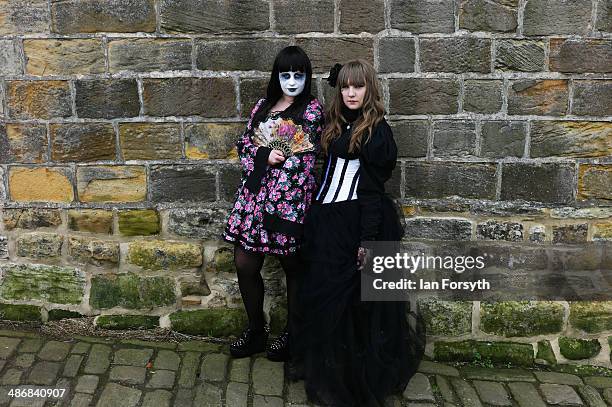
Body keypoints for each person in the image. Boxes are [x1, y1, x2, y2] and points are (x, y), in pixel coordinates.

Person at [290, 59, 426, 406]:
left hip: (359, 221)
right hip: (327, 216)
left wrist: (366, 242)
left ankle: (351, 377)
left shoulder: (377, 131)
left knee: (356, 302)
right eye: (346, 86)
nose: (351, 93)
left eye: (359, 86)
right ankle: (327, 367)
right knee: (325, 293)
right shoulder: (336, 122)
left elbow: (369, 190)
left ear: (370, 90)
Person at [222, 46, 324, 361]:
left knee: (292, 266)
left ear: (306, 77)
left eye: (298, 74)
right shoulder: (263, 107)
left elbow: (305, 159)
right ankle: (256, 331)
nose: (292, 81)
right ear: (276, 76)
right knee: (244, 263)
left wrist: (280, 178)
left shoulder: (311, 110)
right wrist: (266, 155)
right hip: (253, 199)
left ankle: (294, 334)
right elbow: (244, 145)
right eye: (285, 74)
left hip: (288, 200)